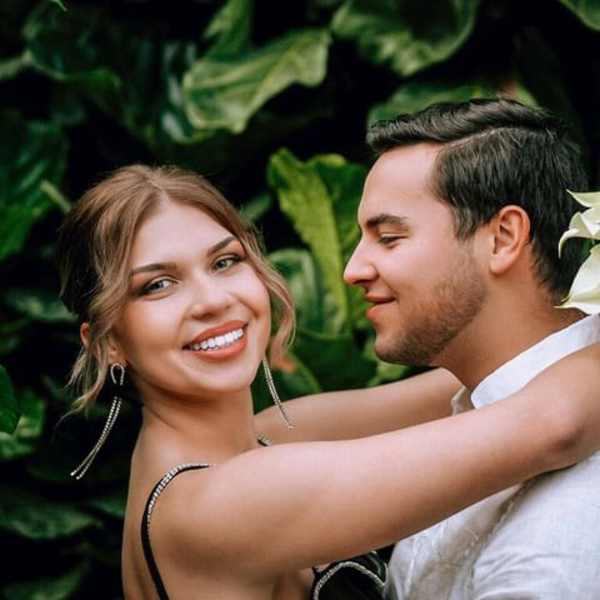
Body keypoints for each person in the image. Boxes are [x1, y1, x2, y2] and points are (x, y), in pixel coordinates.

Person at [57, 163, 600, 600]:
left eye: (224, 262)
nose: (213, 301)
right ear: (107, 342)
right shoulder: (216, 503)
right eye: (157, 285)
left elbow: (500, 369)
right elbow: (554, 424)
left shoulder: (276, 433)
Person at [258, 98, 600, 599]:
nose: (353, 270)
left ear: (503, 238)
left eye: (389, 237)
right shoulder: (483, 401)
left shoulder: (557, 537)